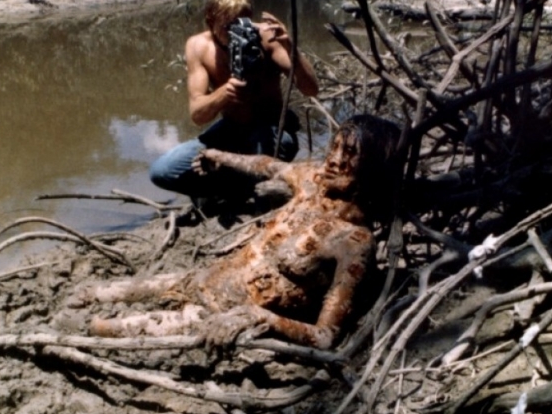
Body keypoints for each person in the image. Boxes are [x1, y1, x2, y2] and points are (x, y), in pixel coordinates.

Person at [66, 115, 402, 349]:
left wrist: (262, 318)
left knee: (99, 329)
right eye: (335, 148)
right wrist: (218, 156)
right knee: (93, 294)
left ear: (373, 166)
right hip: (199, 279)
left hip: (215, 316)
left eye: (350, 153)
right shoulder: (312, 180)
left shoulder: (354, 242)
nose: (334, 160)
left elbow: (327, 337)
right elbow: (267, 165)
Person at [149, 0, 319, 202]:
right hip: (231, 129)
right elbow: (198, 115)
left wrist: (290, 47)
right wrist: (224, 93)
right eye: (229, 26)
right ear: (211, 22)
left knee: (262, 154)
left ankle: (238, 186)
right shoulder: (198, 46)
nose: (239, 33)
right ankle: (233, 187)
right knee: (163, 171)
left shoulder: (267, 38)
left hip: (271, 130)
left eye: (244, 23)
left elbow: (311, 90)